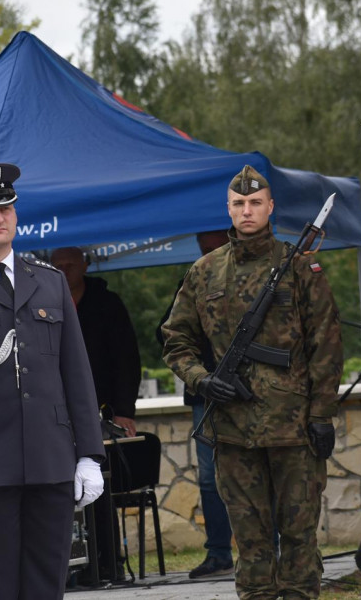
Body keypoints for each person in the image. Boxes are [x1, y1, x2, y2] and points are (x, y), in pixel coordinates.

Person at [161, 166, 343, 600]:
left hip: (293, 429)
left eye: (255, 203)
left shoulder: (299, 268)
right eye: (239, 204)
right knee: (252, 543)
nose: (247, 211)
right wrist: (202, 381)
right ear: (229, 208)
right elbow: (175, 339)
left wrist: (321, 416)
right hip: (234, 430)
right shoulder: (204, 272)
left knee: (300, 540)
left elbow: (327, 346)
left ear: (270, 207)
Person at [0, 163, 105, 599]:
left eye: (6, 208)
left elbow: (76, 373)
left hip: (50, 462)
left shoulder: (49, 282)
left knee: (47, 584)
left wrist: (89, 453)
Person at [50, 245, 141, 582]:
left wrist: (123, 410)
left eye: (70, 265)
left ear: (85, 266)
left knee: (98, 489)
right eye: (57, 266)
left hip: (101, 411)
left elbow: (126, 360)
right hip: (56, 413)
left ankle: (106, 563)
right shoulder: (43, 301)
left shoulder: (107, 304)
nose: (64, 270)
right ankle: (66, 569)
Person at [156, 229, 236, 579]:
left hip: (254, 392)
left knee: (267, 471)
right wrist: (200, 371)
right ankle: (219, 552)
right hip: (206, 393)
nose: (208, 255)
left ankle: (274, 549)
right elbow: (167, 332)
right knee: (209, 478)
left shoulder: (257, 277)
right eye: (203, 249)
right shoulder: (191, 280)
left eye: (214, 248)